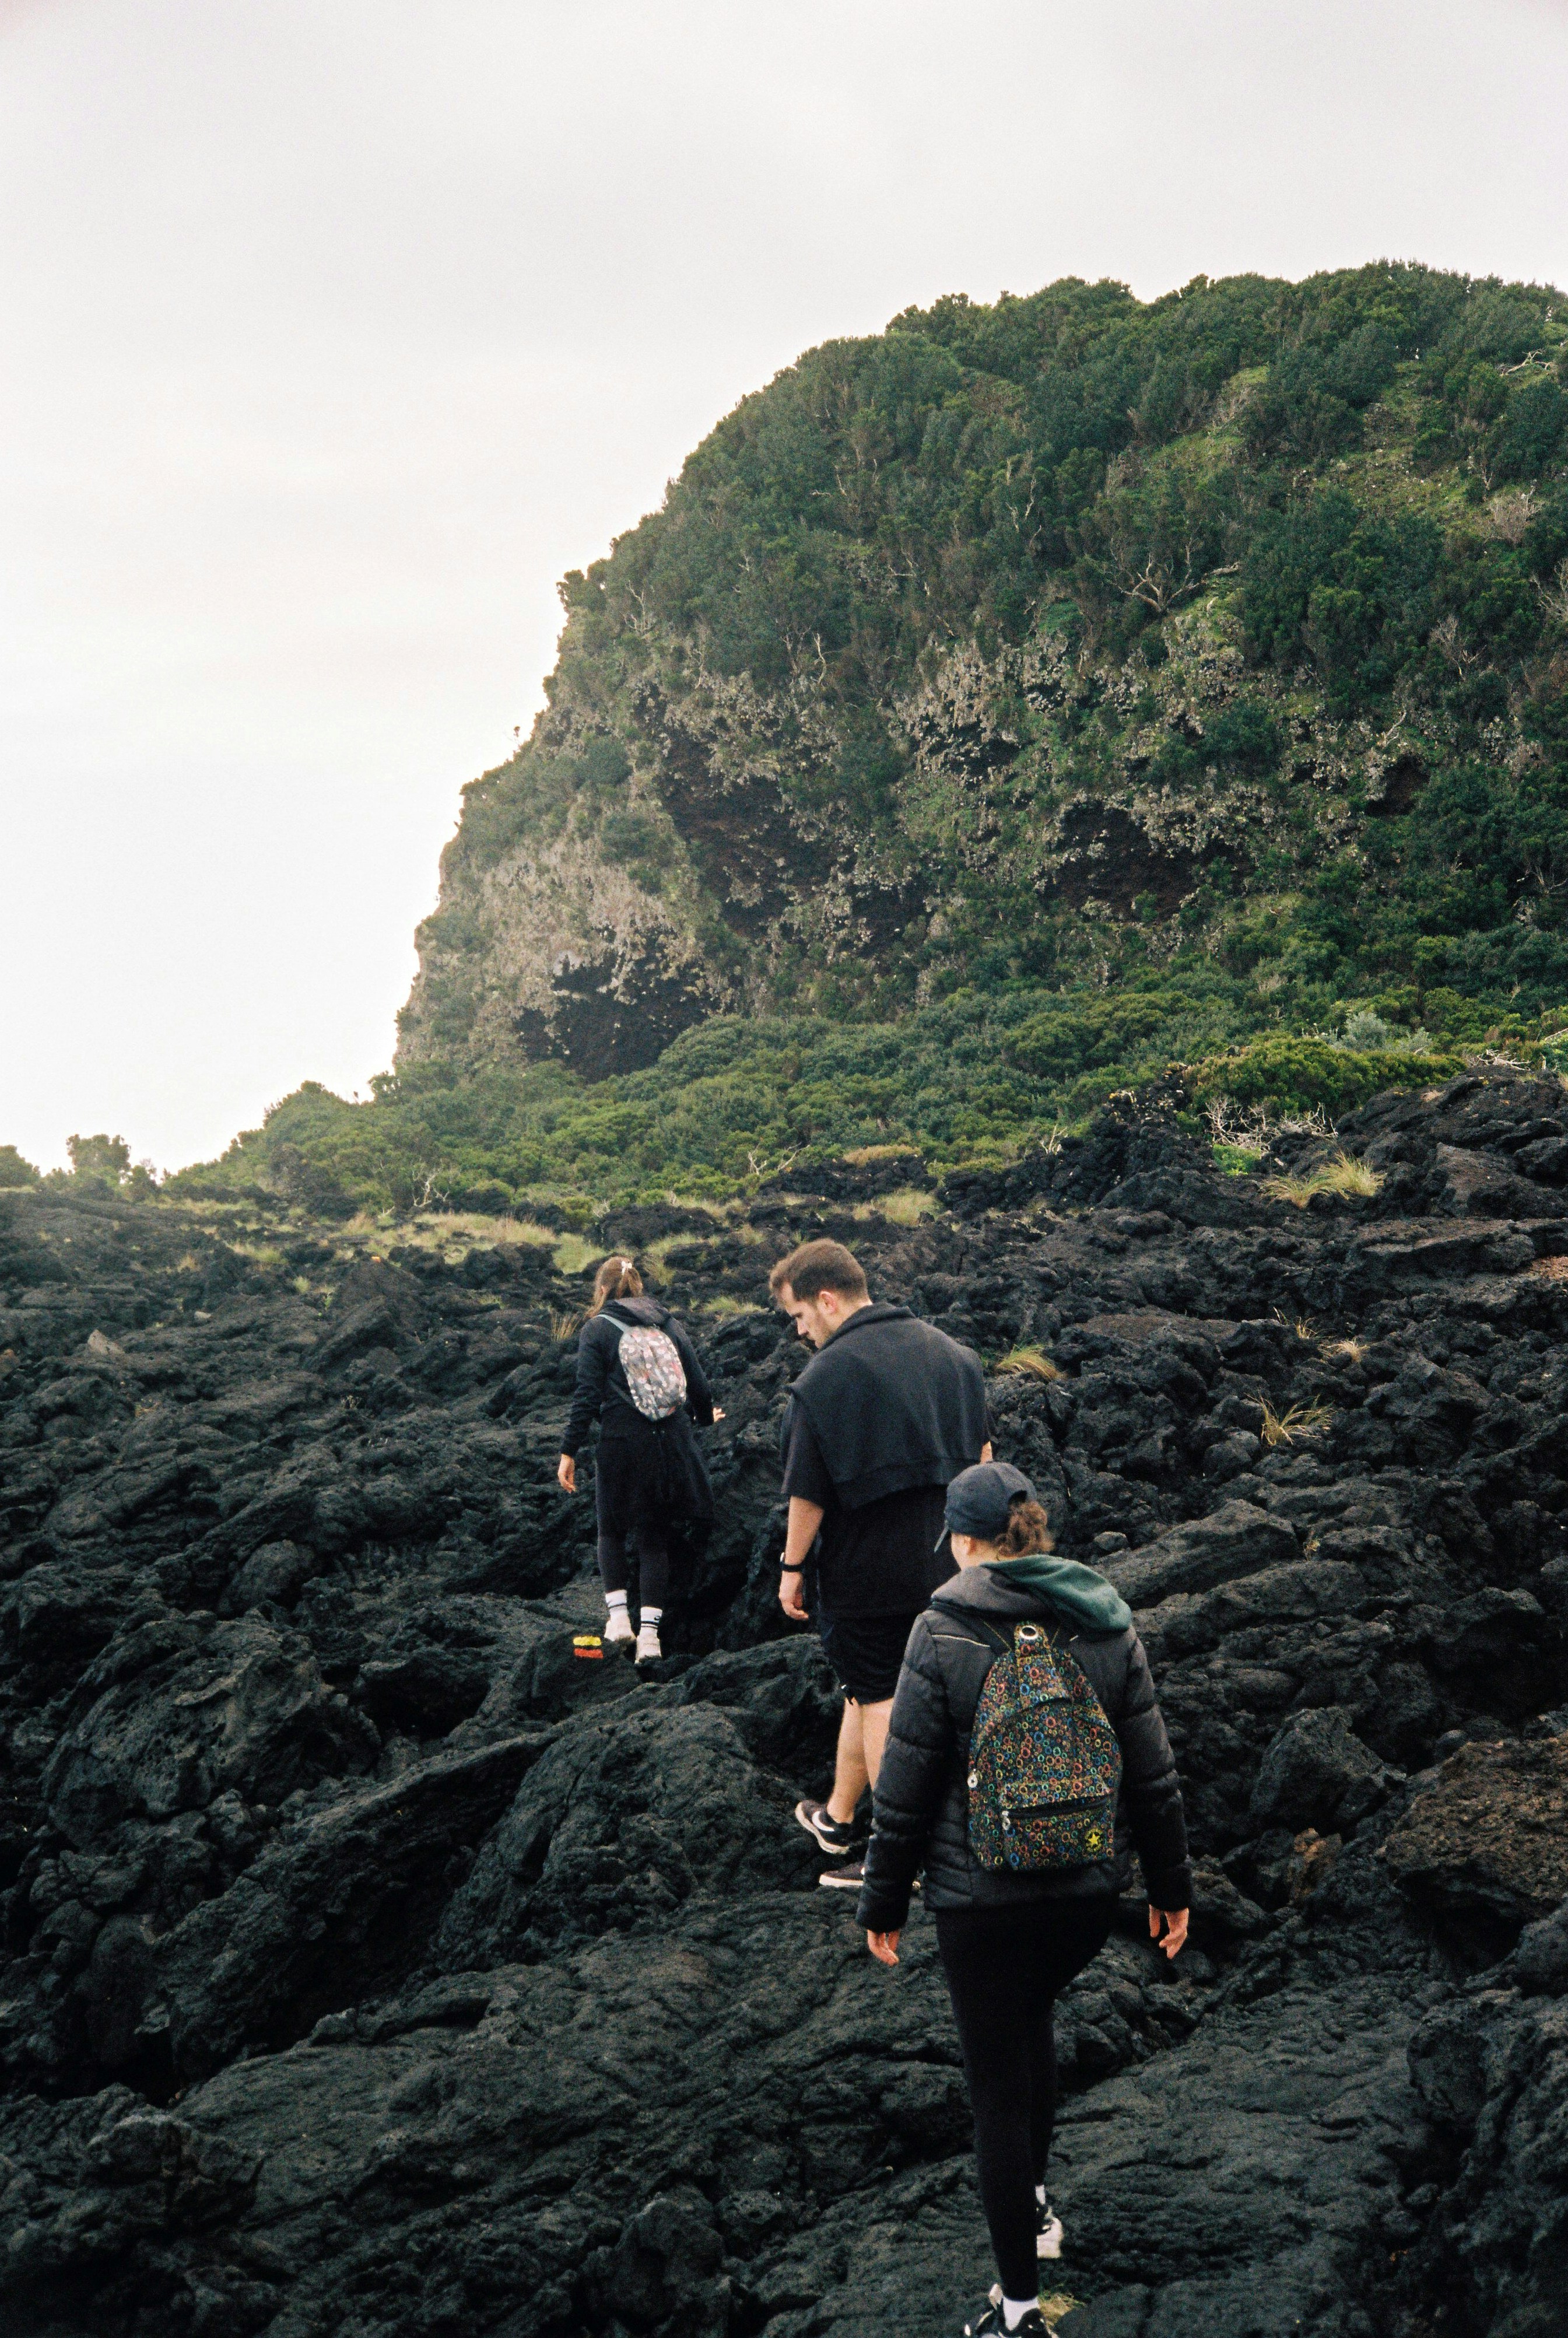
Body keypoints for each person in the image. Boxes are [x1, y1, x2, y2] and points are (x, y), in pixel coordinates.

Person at [856, 1461, 1191, 2337]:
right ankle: (1039, 2213)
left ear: (966, 1543)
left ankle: (1016, 2311)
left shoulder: (942, 1627)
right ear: (1034, 1533)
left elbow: (905, 1788)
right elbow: (1153, 1780)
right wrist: (1171, 1887)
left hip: (982, 1903)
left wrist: (881, 1903)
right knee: (1033, 2022)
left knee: (995, 2089)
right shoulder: (1104, 1618)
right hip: (1082, 1896)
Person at [770, 1239, 991, 1888]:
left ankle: (899, 1858)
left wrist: (792, 1566)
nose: (801, 1331)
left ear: (828, 1299)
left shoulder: (823, 1380)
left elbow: (806, 1493)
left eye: (800, 1316)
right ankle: (838, 1817)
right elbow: (982, 1457)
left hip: (866, 1572)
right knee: (865, 1689)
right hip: (950, 1560)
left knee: (883, 1700)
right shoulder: (954, 1356)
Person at [557, 1256, 721, 1663]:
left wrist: (568, 1451)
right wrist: (703, 1420)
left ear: (601, 1291)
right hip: (670, 1443)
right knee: (654, 1539)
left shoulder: (597, 1329)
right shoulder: (667, 1323)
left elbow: (586, 1397)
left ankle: (618, 1622)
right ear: (638, 1287)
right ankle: (650, 1638)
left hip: (620, 1444)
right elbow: (699, 1386)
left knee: (610, 1530)